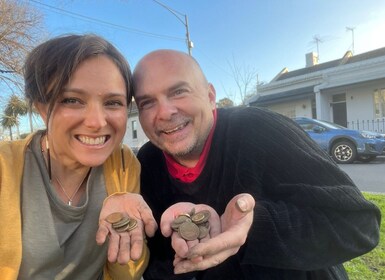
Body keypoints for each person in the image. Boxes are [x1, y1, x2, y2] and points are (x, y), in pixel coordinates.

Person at [132, 49, 381, 280]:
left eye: (178, 91)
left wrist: (253, 227)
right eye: (147, 102)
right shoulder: (147, 162)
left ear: (210, 96)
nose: (164, 112)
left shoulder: (261, 130)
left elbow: (358, 225)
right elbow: (158, 260)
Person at [0, 34, 157, 280]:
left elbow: (128, 275)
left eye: (113, 102)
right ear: (42, 108)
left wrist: (125, 236)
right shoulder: (4, 166)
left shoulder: (124, 164)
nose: (96, 122)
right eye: (72, 100)